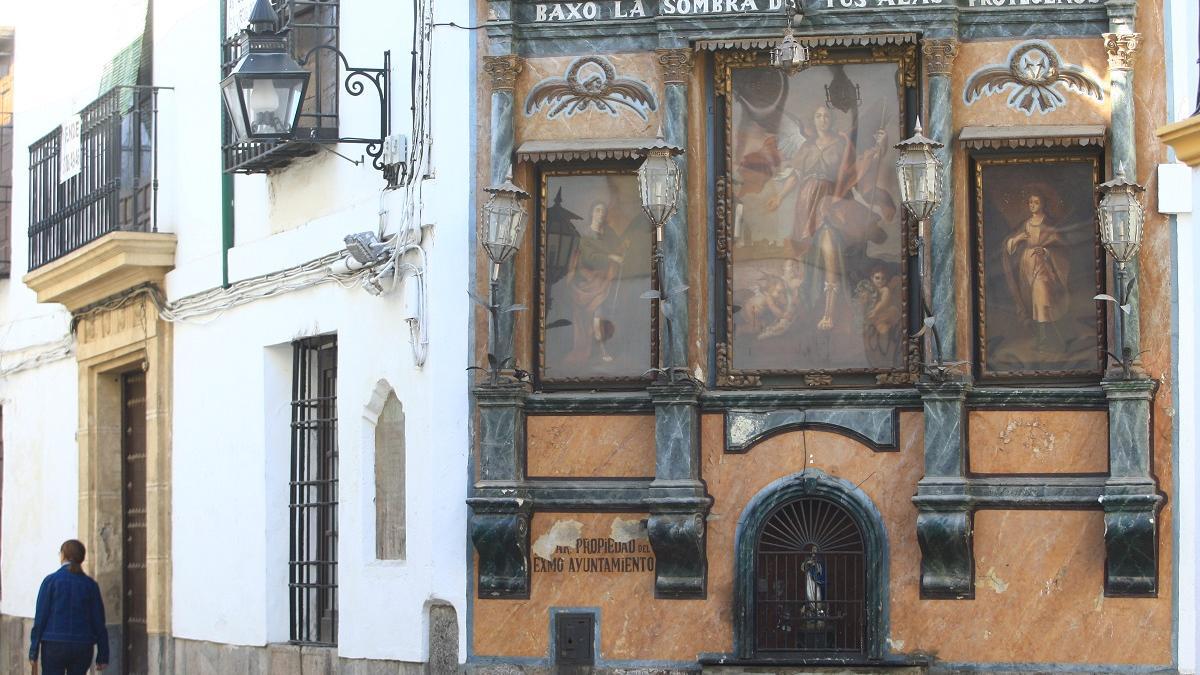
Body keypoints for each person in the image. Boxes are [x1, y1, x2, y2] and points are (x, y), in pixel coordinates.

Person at [562, 201, 630, 367]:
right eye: (598, 211)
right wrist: (611, 257)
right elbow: (588, 258)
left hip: (605, 281)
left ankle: (602, 349)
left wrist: (624, 247)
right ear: (592, 213)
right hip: (587, 282)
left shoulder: (609, 233)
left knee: (602, 314)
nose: (601, 214)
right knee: (596, 315)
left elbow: (619, 247)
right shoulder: (585, 235)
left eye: (603, 211)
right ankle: (600, 350)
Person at [1003, 188, 1070, 355]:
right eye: (1030, 202)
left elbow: (1061, 246)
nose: (1032, 205)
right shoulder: (1025, 224)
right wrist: (1018, 238)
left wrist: (1046, 252)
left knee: (1042, 301)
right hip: (1026, 266)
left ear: (1043, 204)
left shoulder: (1048, 224)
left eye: (1036, 202)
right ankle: (1044, 338)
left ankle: (1045, 340)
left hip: (1044, 267)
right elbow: (1009, 246)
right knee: (1033, 302)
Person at [29, 540, 109, 675]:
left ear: (63, 555)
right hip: (82, 644)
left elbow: (40, 618)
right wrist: (103, 654)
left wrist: (33, 650)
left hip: (54, 644)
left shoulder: (51, 581)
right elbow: (99, 621)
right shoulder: (90, 585)